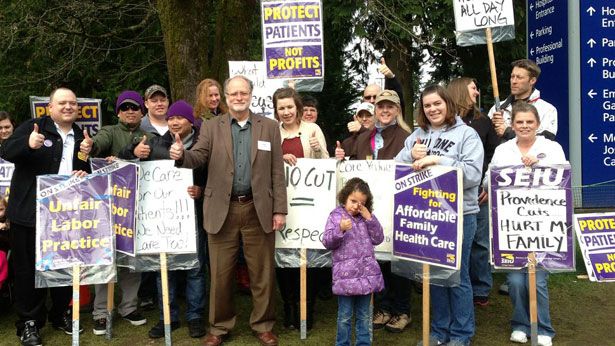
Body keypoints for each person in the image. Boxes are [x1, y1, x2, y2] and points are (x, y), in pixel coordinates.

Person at [169, 75, 287, 346]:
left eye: (242, 93)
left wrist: (279, 209)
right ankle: (219, 327)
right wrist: (181, 156)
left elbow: (276, 171)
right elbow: (198, 156)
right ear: (225, 96)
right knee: (221, 275)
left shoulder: (269, 126)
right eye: (232, 93)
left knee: (262, 273)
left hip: (259, 209)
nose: (238, 97)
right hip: (222, 208)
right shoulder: (211, 126)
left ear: (250, 94)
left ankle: (263, 325)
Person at [396, 85, 484, 346]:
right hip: (424, 215)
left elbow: (472, 175)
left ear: (448, 103)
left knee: (457, 275)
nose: (432, 109)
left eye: (437, 103)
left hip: (460, 215)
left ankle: (460, 334)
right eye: (427, 105)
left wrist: (438, 161)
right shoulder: (416, 136)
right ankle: (438, 331)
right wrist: (409, 155)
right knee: (433, 274)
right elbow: (396, 169)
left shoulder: (467, 135)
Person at [0, 87, 89, 346]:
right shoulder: (34, 126)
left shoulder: (81, 134)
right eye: (62, 103)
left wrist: (84, 165)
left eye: (73, 103)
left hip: (64, 215)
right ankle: (29, 322)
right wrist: (27, 144)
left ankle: (59, 314)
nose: (68, 107)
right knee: (27, 271)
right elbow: (7, 150)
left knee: (62, 266)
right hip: (29, 213)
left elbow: (80, 168)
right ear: (50, 107)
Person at [119, 100, 207, 338]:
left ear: (191, 121)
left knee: (195, 268)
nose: (174, 122)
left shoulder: (204, 143)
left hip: (195, 216)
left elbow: (215, 174)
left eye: (180, 117)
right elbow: (122, 162)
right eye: (171, 118)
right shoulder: (155, 142)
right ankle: (167, 317)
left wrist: (201, 190)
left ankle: (196, 317)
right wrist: (132, 152)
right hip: (162, 219)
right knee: (163, 270)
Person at [335, 89, 413, 333]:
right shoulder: (364, 135)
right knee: (377, 258)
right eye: (381, 107)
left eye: (390, 106)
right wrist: (341, 156)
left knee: (399, 258)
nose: (385, 111)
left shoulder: (406, 136)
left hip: (398, 202)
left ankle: (402, 310)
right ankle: (383, 307)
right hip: (369, 208)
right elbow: (352, 163)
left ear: (398, 109)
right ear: (375, 110)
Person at [488, 102, 563, 346]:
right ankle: (520, 324)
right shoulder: (503, 150)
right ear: (512, 125)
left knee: (538, 280)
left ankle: (544, 329)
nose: (524, 126)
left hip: (542, 226)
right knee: (517, 282)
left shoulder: (552, 148)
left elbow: (563, 178)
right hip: (512, 227)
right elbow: (490, 180)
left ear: (538, 124)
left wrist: (539, 166)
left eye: (529, 122)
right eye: (519, 122)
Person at [80, 90, 149, 334]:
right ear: (118, 112)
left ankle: (129, 307)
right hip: (108, 207)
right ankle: (101, 311)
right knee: (105, 259)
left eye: (135, 107)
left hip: (137, 207)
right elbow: (97, 145)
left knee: (131, 261)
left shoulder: (148, 135)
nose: (130, 111)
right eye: (125, 107)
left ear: (142, 111)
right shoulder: (109, 131)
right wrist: (90, 145)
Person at [272, 87, 328, 330]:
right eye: (281, 108)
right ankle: (289, 306)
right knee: (283, 258)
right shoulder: (272, 132)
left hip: (310, 205)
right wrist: (279, 158)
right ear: (276, 110)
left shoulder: (313, 129)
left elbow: (326, 165)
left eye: (289, 107)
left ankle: (308, 306)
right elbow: (263, 164)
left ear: (298, 108)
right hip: (281, 205)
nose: (286, 112)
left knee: (310, 258)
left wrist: (317, 149)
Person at [447, 77, 499, 306]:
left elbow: (493, 155)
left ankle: (480, 288)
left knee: (479, 242)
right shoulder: (446, 124)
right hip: (448, 194)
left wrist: (488, 185)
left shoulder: (483, 121)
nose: (477, 93)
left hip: (479, 191)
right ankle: (454, 282)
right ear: (459, 91)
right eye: (473, 89)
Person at [322, 177, 384, 346]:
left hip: (366, 277)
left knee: (364, 315)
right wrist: (340, 229)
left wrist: (370, 218)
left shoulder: (367, 218)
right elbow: (327, 241)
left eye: (361, 203)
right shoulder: (336, 216)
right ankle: (343, 343)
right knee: (344, 316)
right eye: (353, 201)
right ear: (345, 197)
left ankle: (363, 343)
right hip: (345, 279)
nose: (356, 205)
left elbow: (378, 238)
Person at [488, 59, 557, 141]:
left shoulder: (547, 109)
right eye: (512, 76)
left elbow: (545, 142)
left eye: (519, 77)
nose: (514, 81)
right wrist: (491, 127)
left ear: (532, 80)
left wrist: (507, 132)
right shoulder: (497, 108)